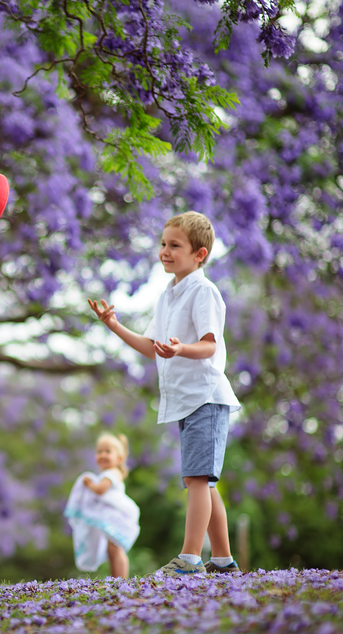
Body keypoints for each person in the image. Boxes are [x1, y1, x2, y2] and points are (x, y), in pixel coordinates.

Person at [88, 211, 241, 576]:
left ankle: (189, 559)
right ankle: (222, 560)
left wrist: (180, 349)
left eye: (175, 245)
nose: (165, 252)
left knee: (197, 480)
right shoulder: (168, 296)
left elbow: (208, 346)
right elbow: (150, 345)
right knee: (201, 479)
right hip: (186, 400)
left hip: (206, 395)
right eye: (163, 244)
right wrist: (113, 324)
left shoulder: (204, 292)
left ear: (199, 255)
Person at [63, 432, 140, 578]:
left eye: (108, 451)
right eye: (99, 451)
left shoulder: (111, 473)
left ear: (119, 458)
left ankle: (121, 581)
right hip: (112, 517)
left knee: (116, 550)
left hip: (116, 517)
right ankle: (117, 580)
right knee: (112, 550)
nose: (102, 455)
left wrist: (88, 483)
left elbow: (100, 490)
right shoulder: (112, 472)